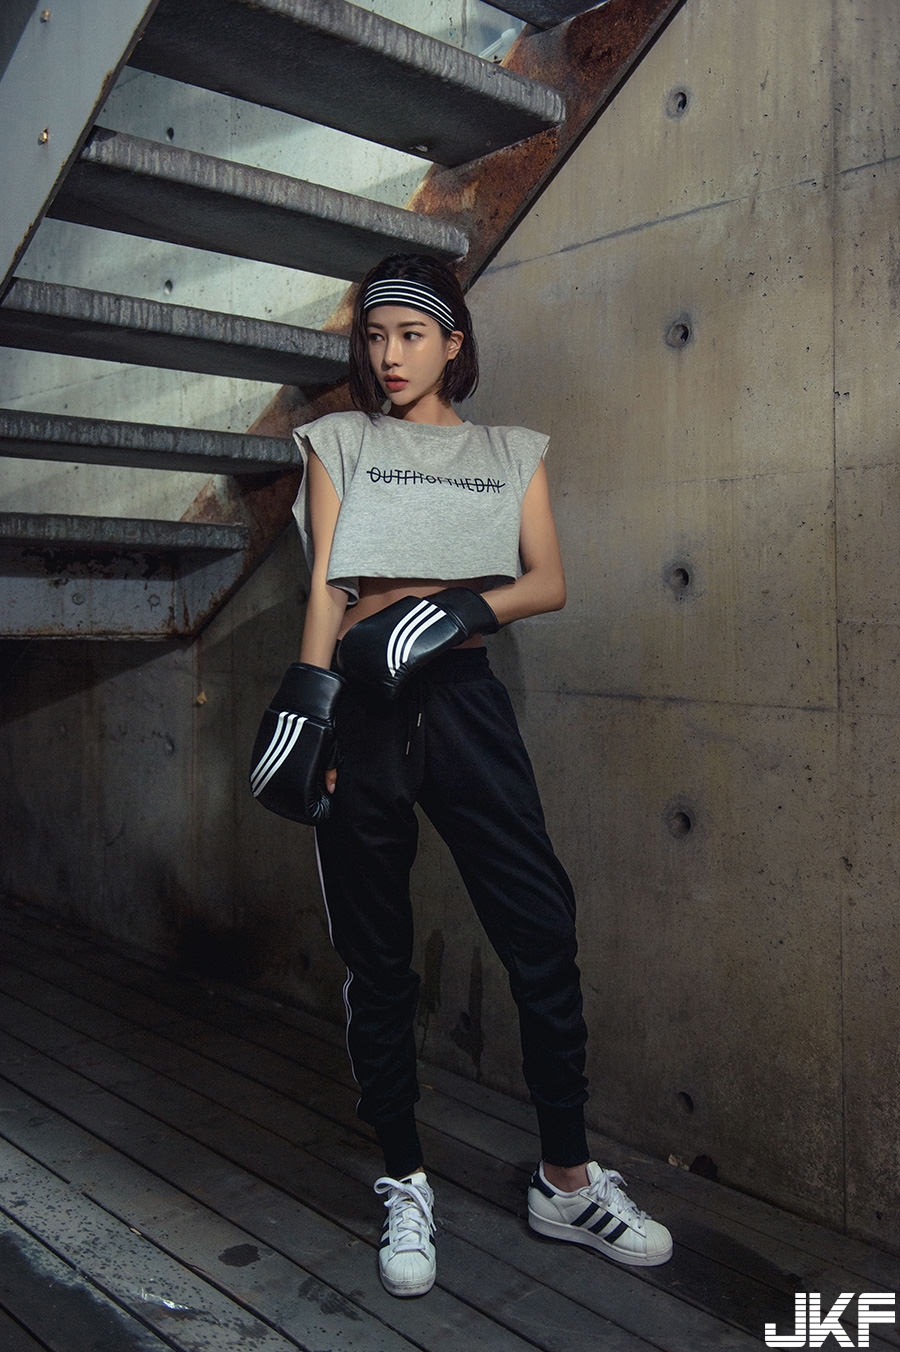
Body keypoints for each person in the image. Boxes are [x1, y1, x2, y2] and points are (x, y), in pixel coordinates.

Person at [250, 253, 673, 1298]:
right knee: (377, 954)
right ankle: (403, 1177)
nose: (389, 355)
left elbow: (548, 579)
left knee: (540, 927)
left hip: (466, 699)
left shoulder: (507, 449)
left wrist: (458, 607)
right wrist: (310, 710)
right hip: (363, 706)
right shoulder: (339, 441)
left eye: (410, 334)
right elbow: (329, 587)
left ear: (454, 342)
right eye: (375, 336)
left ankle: (566, 1182)